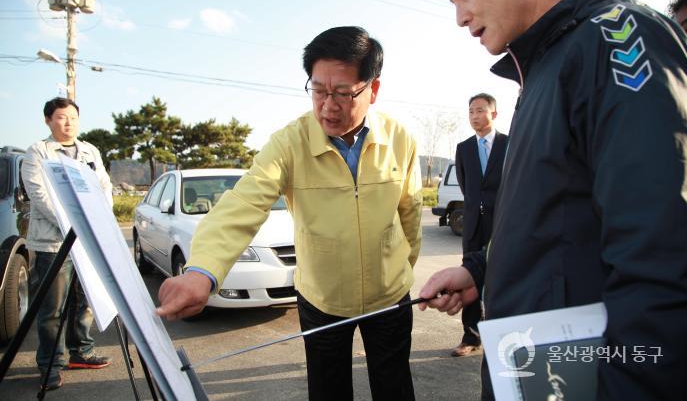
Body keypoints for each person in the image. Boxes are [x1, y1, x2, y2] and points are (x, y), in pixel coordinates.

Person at [419, 0, 687, 400]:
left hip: (585, 376)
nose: (460, 17)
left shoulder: (618, 38)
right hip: (535, 363)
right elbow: (552, 218)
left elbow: (662, 256)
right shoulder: (543, 67)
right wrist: (480, 272)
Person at [156, 26, 423, 400]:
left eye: (343, 93)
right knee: (328, 391)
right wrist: (203, 270)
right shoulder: (289, 143)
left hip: (390, 296)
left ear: (372, 89)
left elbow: (410, 212)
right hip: (322, 298)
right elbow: (243, 203)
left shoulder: (400, 139)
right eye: (318, 90)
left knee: (394, 386)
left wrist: (404, 268)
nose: (328, 105)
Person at [21, 97, 113, 391]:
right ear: (48, 120)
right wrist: (75, 225)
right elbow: (40, 197)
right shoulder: (38, 152)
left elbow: (104, 186)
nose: (68, 122)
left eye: (73, 116)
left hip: (87, 242)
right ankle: (50, 364)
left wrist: (101, 219)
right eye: (61, 117)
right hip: (53, 244)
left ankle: (82, 352)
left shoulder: (89, 150)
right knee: (52, 309)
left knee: (83, 302)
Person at [450, 93, 507, 357]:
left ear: (493, 114)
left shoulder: (510, 143)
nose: (474, 116)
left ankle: (504, 336)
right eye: (471, 111)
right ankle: (471, 338)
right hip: (473, 225)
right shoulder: (464, 149)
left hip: (502, 224)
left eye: (480, 110)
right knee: (470, 281)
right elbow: (466, 186)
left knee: (503, 279)